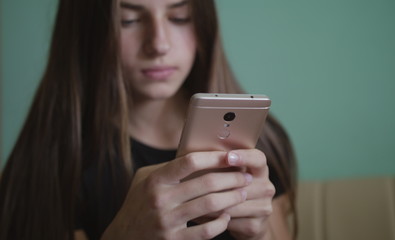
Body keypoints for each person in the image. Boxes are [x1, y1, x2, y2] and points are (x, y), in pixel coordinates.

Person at [0, 0, 297, 239]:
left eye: (180, 16)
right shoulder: (51, 162)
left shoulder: (264, 140)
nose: (159, 44)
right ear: (86, 31)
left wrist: (260, 235)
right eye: (128, 19)